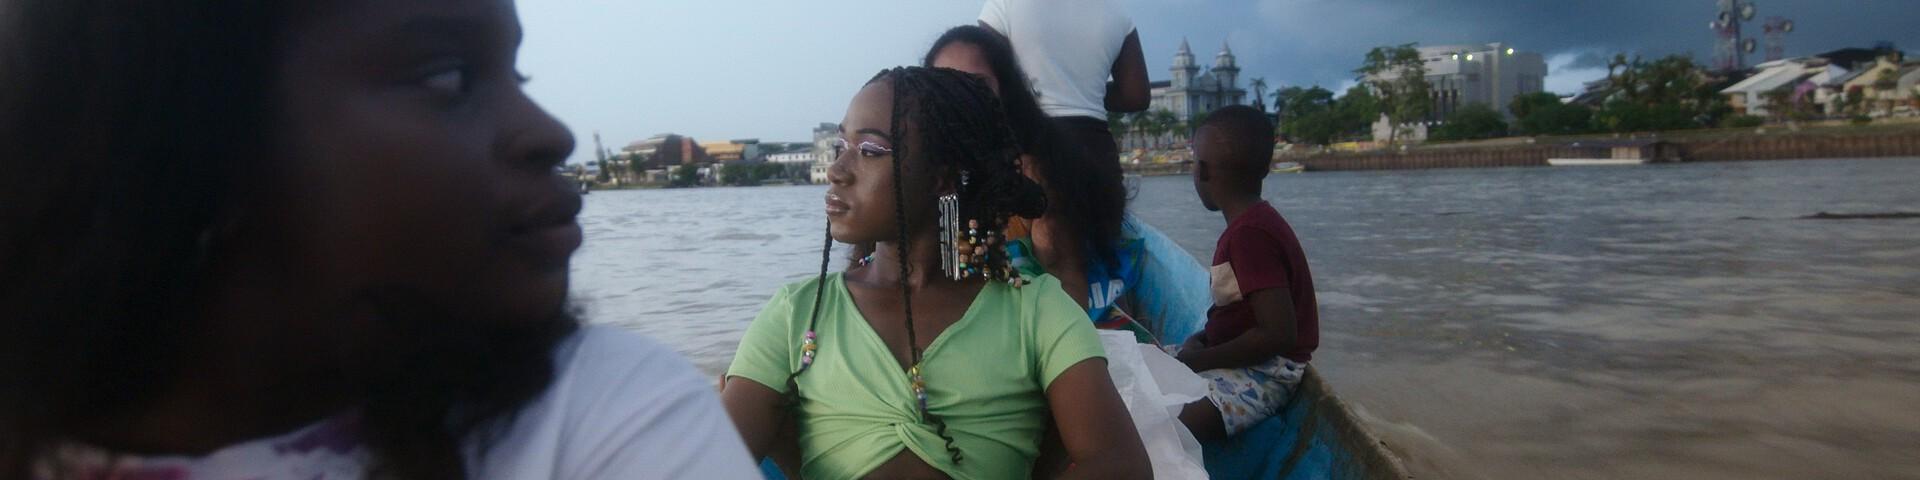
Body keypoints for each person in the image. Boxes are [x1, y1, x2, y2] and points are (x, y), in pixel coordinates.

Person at [0, 1, 758, 478]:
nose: (550, 133)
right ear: (187, 139)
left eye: (517, 76)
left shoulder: (595, 412)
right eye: (449, 77)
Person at [720, 66, 1150, 480]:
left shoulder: (1037, 311)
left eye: (869, 151)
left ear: (941, 178)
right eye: (840, 147)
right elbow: (711, 459)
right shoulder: (796, 313)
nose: (836, 171)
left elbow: (1121, 466)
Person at [921, 26, 1139, 331]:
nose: (961, 97)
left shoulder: (1033, 174)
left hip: (1031, 334)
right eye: (945, 85)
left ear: (1005, 93)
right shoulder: (920, 176)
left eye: (978, 84)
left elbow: (1065, 277)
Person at [1168, 106, 1319, 442]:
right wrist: (1203, 340)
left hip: (1264, 375)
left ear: (1202, 171)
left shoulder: (1250, 236)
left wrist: (1197, 361)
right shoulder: (1254, 225)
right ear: (1265, 168)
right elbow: (1241, 313)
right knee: (1138, 366)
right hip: (1241, 360)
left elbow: (1278, 334)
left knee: (1156, 422)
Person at [977, 0, 1149, 169]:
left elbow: (988, 85)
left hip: (1028, 147)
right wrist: (1085, 94)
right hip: (1095, 147)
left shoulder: (1002, 4)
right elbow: (1135, 96)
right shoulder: (1116, 11)